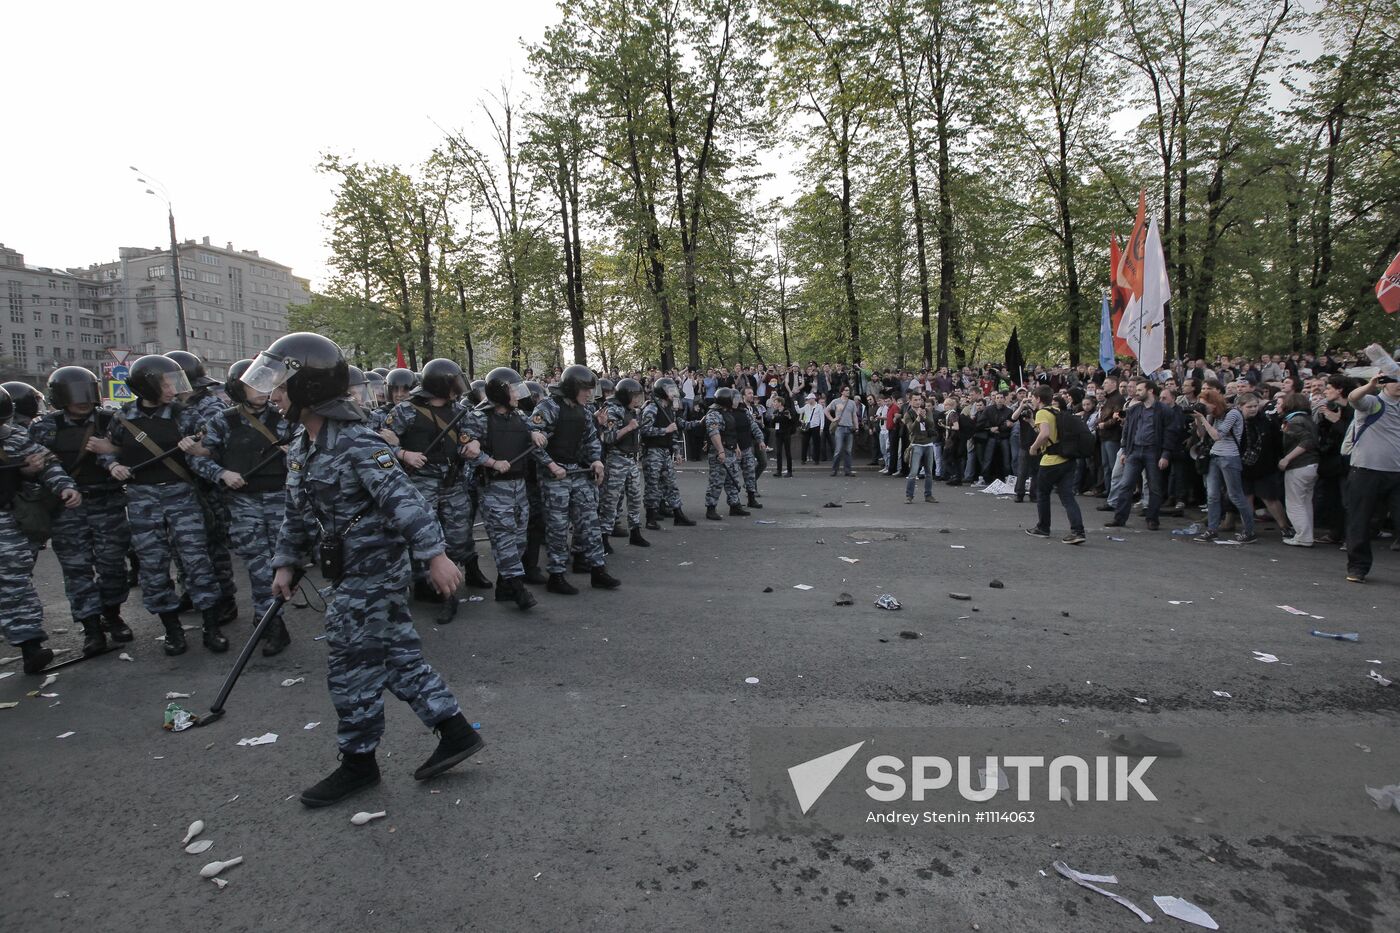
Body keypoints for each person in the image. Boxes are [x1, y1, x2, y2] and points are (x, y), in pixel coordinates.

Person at [251, 333, 481, 807]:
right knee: (396, 656)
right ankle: (455, 730)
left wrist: (435, 556)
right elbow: (297, 513)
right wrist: (286, 563)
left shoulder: (357, 441)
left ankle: (358, 763)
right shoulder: (303, 443)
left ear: (309, 387)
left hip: (373, 571)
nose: (273, 395)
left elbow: (405, 500)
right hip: (347, 570)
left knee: (349, 665)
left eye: (281, 385)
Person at [101, 354, 229, 654]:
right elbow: (109, 448)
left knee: (197, 561)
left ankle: (212, 627)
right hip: (142, 500)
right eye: (166, 384)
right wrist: (113, 466)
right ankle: (172, 630)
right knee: (153, 566)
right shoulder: (123, 418)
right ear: (147, 387)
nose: (174, 390)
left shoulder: (184, 415)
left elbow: (213, 445)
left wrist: (197, 447)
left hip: (181, 496)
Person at [188, 359, 294, 656]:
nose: (263, 391)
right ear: (238, 388)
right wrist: (222, 473)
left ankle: (268, 616)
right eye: (254, 385)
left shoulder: (285, 417)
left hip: (281, 499)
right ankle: (271, 623)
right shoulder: (223, 421)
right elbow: (198, 458)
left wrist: (293, 454)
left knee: (284, 563)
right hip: (244, 502)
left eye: (266, 384)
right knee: (258, 564)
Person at [28, 367, 133, 656]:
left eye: (86, 394)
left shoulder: (110, 420)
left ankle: (112, 614)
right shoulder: (45, 427)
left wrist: (112, 451)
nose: (82, 401)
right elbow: (37, 465)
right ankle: (91, 627)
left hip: (107, 503)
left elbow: (135, 450)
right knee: (77, 570)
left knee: (114, 566)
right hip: (67, 508)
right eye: (75, 395)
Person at [384, 358, 491, 602]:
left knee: (460, 529)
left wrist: (474, 442)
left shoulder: (457, 410)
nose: (457, 389)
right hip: (421, 482)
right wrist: (403, 453)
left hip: (452, 480)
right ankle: (422, 582)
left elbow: (473, 432)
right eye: (452, 384)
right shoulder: (405, 411)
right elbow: (380, 444)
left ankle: (464, 571)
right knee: (422, 532)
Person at [1, 385, 83, 673]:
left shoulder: (14, 438)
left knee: (14, 581)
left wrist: (65, 487)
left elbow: (48, 464)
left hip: (6, 521)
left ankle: (30, 645)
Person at [530, 364, 621, 594]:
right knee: (558, 527)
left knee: (590, 520)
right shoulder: (548, 407)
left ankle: (597, 569)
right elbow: (532, 441)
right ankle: (556, 575)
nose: (589, 394)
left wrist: (596, 460)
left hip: (577, 472)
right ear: (572, 388)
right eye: (585, 389)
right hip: (554, 475)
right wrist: (551, 465)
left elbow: (591, 439)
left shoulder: (584, 410)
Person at [166, 350, 240, 626]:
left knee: (213, 544)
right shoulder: (171, 408)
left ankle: (225, 598)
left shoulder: (210, 407)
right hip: (179, 486)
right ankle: (192, 590)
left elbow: (219, 448)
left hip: (208, 486)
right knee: (181, 545)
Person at [461, 366, 544, 610]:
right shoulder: (479, 418)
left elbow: (532, 430)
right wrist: (492, 462)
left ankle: (504, 587)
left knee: (519, 540)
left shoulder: (518, 416)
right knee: (504, 539)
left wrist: (536, 434)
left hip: (519, 487)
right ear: (500, 393)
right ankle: (518, 589)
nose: (518, 395)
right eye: (513, 390)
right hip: (494, 488)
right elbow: (465, 449)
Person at [1343, 373, 1400, 583]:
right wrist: (1370, 386)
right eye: (1395, 380)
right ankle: (1358, 568)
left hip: (1396, 473)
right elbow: (1353, 398)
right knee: (1360, 521)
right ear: (1384, 384)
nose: (1399, 384)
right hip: (1366, 471)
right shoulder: (1374, 402)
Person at [1107, 381, 1178, 531]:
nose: (1136, 392)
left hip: (1153, 452)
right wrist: (1124, 450)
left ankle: (1152, 519)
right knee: (1125, 485)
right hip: (1134, 451)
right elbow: (1127, 431)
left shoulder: (1163, 410)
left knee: (1154, 487)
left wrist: (1165, 454)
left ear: (1150, 391)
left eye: (1140, 390)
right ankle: (1119, 518)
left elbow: (1170, 433)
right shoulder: (1134, 409)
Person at [1191, 384, 1255, 544]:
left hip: (1229, 457)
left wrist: (1203, 418)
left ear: (1214, 403)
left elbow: (1217, 435)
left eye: (1205, 405)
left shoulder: (1232, 413)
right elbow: (1202, 435)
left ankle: (1249, 531)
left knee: (1235, 495)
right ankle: (1212, 530)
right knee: (1212, 495)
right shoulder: (1212, 415)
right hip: (1214, 456)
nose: (1203, 408)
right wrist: (1199, 419)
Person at [1026, 387, 1086, 544]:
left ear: (1038, 399)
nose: (1031, 400)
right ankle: (1078, 531)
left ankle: (1043, 527)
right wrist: (1032, 423)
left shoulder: (1042, 412)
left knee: (1042, 493)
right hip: (1067, 458)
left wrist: (1033, 447)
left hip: (1051, 460)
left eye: (1032, 398)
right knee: (1067, 497)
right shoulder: (1057, 411)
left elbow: (1045, 434)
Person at [638, 377, 698, 530]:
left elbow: (673, 433)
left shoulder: (669, 410)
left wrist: (677, 451)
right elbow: (644, 430)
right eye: (670, 390)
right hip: (652, 452)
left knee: (671, 484)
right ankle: (651, 518)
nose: (673, 393)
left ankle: (678, 515)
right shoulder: (652, 408)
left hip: (665, 451)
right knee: (653, 486)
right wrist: (665, 430)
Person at [597, 377, 650, 549]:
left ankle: (635, 532)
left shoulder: (631, 410)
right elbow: (607, 437)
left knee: (635, 498)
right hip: (616, 459)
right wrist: (628, 428)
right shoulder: (612, 410)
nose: (637, 400)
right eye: (634, 396)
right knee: (610, 501)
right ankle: (604, 538)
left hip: (631, 459)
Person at [1277, 392, 1319, 547]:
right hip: (1312, 464)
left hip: (1299, 465)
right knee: (1306, 502)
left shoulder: (1294, 421)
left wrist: (1287, 458)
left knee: (1295, 503)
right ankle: (1306, 535)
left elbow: (1307, 441)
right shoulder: (1308, 419)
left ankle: (1303, 536)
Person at [703, 387, 750, 520]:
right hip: (720, 452)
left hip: (730, 450)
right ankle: (711, 508)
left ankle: (734, 505)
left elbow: (730, 432)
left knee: (733, 480)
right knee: (716, 481)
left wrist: (736, 446)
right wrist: (721, 451)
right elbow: (714, 433)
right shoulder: (714, 414)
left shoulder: (726, 412)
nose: (735, 401)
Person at [734, 388, 768, 508]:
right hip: (742, 443)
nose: (752, 395)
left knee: (763, 462)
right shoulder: (737, 409)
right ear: (742, 396)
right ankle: (746, 496)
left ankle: (750, 490)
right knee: (748, 467)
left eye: (752, 393)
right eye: (749, 393)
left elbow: (754, 424)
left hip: (754, 440)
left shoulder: (753, 408)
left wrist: (760, 439)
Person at [902, 393, 938, 504]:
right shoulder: (908, 414)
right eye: (915, 400)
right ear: (910, 401)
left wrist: (924, 417)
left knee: (929, 472)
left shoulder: (927, 411)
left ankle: (928, 495)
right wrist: (918, 418)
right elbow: (911, 429)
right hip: (916, 444)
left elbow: (931, 425)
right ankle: (909, 496)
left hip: (928, 444)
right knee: (913, 472)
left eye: (919, 400)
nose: (918, 402)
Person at [825, 385, 860, 476]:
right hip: (839, 428)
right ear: (842, 392)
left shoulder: (852, 403)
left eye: (849, 390)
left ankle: (847, 470)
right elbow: (826, 410)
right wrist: (832, 419)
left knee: (848, 451)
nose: (848, 391)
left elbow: (854, 416)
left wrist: (857, 427)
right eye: (846, 390)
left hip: (849, 428)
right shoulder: (836, 401)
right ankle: (834, 470)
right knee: (838, 449)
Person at [770, 395, 796, 477]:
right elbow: (772, 425)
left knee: (788, 452)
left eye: (775, 402)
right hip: (778, 434)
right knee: (778, 453)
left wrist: (789, 417)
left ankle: (789, 471)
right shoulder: (776, 412)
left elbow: (793, 422)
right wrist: (773, 418)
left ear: (780, 403)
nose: (774, 404)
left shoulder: (787, 411)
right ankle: (779, 471)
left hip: (786, 434)